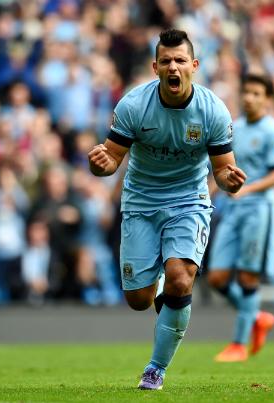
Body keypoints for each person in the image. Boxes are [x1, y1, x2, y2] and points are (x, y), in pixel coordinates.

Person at [88, 29, 246, 390]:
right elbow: (111, 158)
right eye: (166, 61)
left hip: (188, 200)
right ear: (155, 67)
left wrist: (229, 181)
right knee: (138, 300)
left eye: (180, 60)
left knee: (180, 278)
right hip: (141, 202)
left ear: (194, 66)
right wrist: (101, 165)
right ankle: (157, 284)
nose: (173, 67)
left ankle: (155, 369)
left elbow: (223, 169)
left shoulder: (213, 111)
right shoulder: (133, 105)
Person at [206, 73, 274, 362]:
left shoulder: (273, 132)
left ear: (268, 99)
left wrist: (247, 189)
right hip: (232, 209)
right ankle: (256, 317)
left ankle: (239, 345)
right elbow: (222, 168)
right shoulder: (234, 128)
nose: (249, 98)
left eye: (256, 93)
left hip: (259, 209)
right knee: (216, 277)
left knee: (247, 276)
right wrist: (207, 193)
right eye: (246, 92)